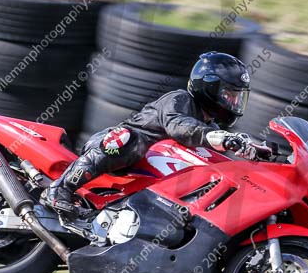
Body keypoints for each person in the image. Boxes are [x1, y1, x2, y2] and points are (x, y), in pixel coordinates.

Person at [41, 51, 268, 215]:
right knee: (126, 139)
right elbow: (178, 126)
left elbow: (219, 158)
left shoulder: (211, 128)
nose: (233, 102)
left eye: (237, 97)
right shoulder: (179, 99)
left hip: (154, 177)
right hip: (122, 150)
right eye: (229, 94)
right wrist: (217, 138)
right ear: (208, 86)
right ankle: (60, 189)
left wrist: (253, 153)